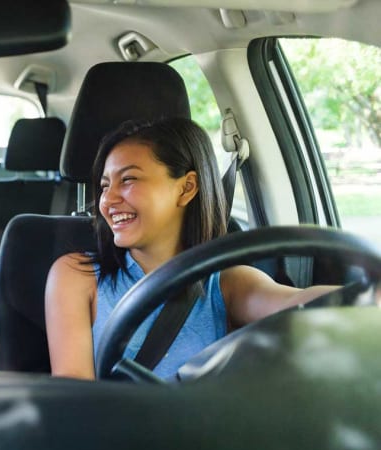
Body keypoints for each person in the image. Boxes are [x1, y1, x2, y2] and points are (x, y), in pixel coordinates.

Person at [45, 117, 337, 380]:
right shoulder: (77, 276)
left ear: (186, 188)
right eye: (105, 185)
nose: (107, 201)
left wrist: (365, 294)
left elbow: (296, 304)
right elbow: (74, 398)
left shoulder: (227, 283)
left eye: (129, 179)